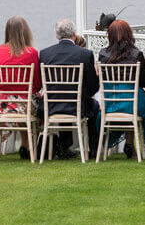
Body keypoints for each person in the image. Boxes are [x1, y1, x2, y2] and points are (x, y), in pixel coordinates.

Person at [38, 19, 100, 159]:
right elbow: (93, 87)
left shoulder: (45, 54)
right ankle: (94, 149)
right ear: (74, 34)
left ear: (57, 35)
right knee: (94, 106)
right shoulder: (85, 54)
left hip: (51, 106)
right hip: (77, 106)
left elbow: (42, 84)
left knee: (62, 98)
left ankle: (65, 147)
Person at [97, 19, 145, 159]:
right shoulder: (136, 54)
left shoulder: (103, 55)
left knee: (133, 102)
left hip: (112, 101)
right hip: (132, 101)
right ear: (129, 34)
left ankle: (129, 145)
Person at [0, 16, 42, 160]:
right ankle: (27, 144)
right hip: (25, 104)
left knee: (20, 101)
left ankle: (25, 144)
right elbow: (37, 84)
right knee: (36, 103)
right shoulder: (32, 53)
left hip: (1, 104)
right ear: (25, 32)